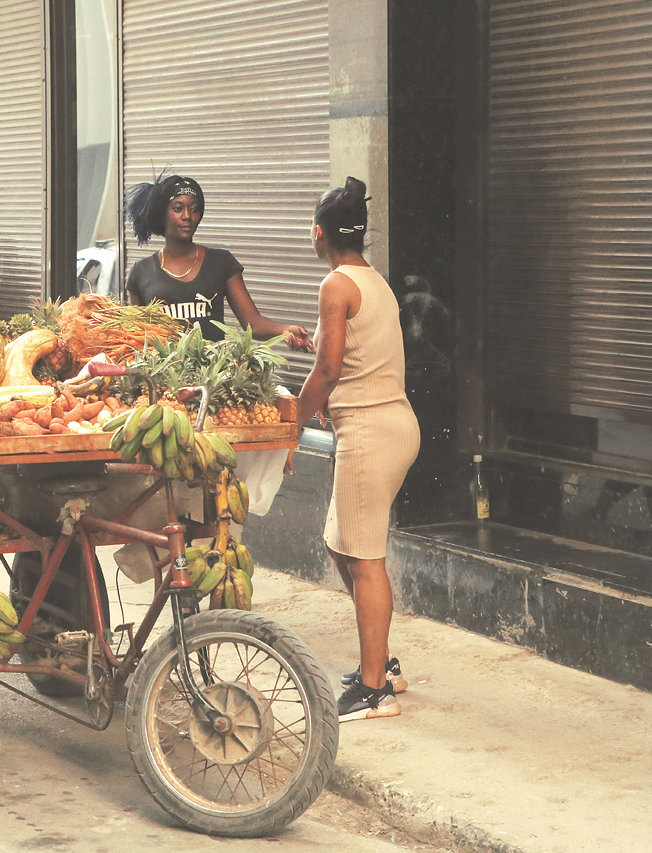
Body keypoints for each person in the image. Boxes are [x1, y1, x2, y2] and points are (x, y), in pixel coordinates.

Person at [294, 176, 420, 723]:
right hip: (383, 423)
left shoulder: (337, 286)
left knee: (365, 559)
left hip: (372, 431)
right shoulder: (375, 282)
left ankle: (375, 691)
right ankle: (381, 664)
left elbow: (328, 369)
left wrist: (289, 427)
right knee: (341, 545)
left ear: (319, 233)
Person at [124, 170, 312, 350]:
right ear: (162, 214)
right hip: (163, 380)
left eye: (194, 209)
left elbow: (253, 323)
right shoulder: (141, 272)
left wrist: (283, 330)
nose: (187, 216)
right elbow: (135, 337)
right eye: (178, 209)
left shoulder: (221, 262)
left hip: (210, 379)